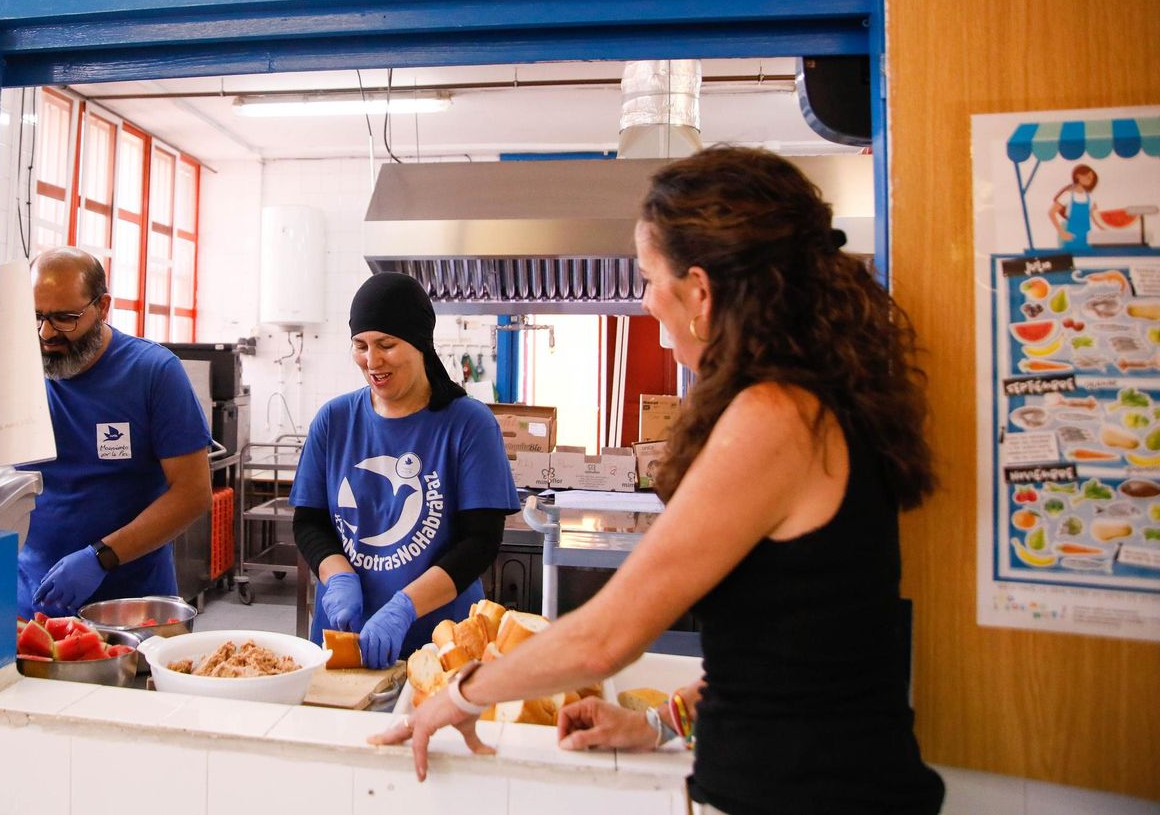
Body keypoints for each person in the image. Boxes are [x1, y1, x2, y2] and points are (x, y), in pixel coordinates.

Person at [375, 148, 946, 815]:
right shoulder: (814, 404)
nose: (645, 303)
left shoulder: (774, 417)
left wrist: (462, 693)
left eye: (649, 278)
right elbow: (787, 653)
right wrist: (659, 724)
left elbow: (602, 641)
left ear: (700, 293)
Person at [290, 272, 520, 670]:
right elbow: (309, 521)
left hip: (441, 640)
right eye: (360, 346)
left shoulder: (468, 424)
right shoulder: (335, 420)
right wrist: (339, 576)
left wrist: (404, 607)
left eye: (386, 345)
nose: (372, 360)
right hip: (347, 635)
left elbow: (480, 542)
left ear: (419, 344)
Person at [18, 247, 213, 617]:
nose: (46, 333)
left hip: (130, 605)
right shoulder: (13, 371)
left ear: (103, 306)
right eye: (36, 316)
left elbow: (192, 494)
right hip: (30, 597)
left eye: (65, 318)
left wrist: (101, 557)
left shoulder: (152, 373)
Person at [1047, 163, 1104, 249]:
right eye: (1088, 177)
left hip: (1086, 238)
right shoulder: (1068, 195)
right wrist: (1061, 232)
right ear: (1078, 176)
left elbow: (1095, 217)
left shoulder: (1090, 197)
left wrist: (1104, 231)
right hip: (1070, 237)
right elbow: (1051, 213)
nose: (1090, 180)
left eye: (1092, 178)